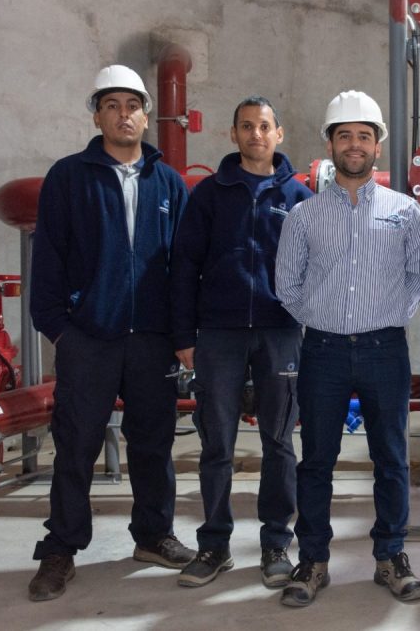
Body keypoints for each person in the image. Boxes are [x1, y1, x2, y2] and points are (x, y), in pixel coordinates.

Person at [28, 64, 194, 601]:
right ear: (97, 116)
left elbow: (183, 267)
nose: (124, 115)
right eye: (112, 105)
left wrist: (180, 335)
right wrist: (61, 330)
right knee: (76, 444)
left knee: (154, 442)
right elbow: (48, 260)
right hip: (89, 337)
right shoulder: (68, 177)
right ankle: (61, 547)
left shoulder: (169, 183)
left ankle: (153, 536)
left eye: (133, 105)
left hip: (152, 340)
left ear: (146, 115)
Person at [274, 90, 420, 607]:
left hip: (386, 350)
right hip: (323, 352)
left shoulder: (404, 213)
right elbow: (286, 285)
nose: (355, 144)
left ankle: (391, 556)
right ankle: (313, 560)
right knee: (317, 460)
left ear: (377, 145)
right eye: (345, 136)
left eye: (364, 135)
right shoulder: (304, 216)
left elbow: (418, 277)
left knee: (391, 458)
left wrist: (388, 316)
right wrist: (323, 319)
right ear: (330, 144)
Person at [169, 96, 313, 588]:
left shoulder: (299, 197)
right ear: (233, 134)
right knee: (217, 445)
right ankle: (214, 545)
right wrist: (184, 335)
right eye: (247, 126)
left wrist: (306, 325)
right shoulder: (209, 195)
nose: (256, 134)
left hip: (280, 332)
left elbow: (317, 268)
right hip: (219, 335)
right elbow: (184, 266)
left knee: (279, 443)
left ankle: (275, 544)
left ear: (279, 133)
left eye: (264, 126)